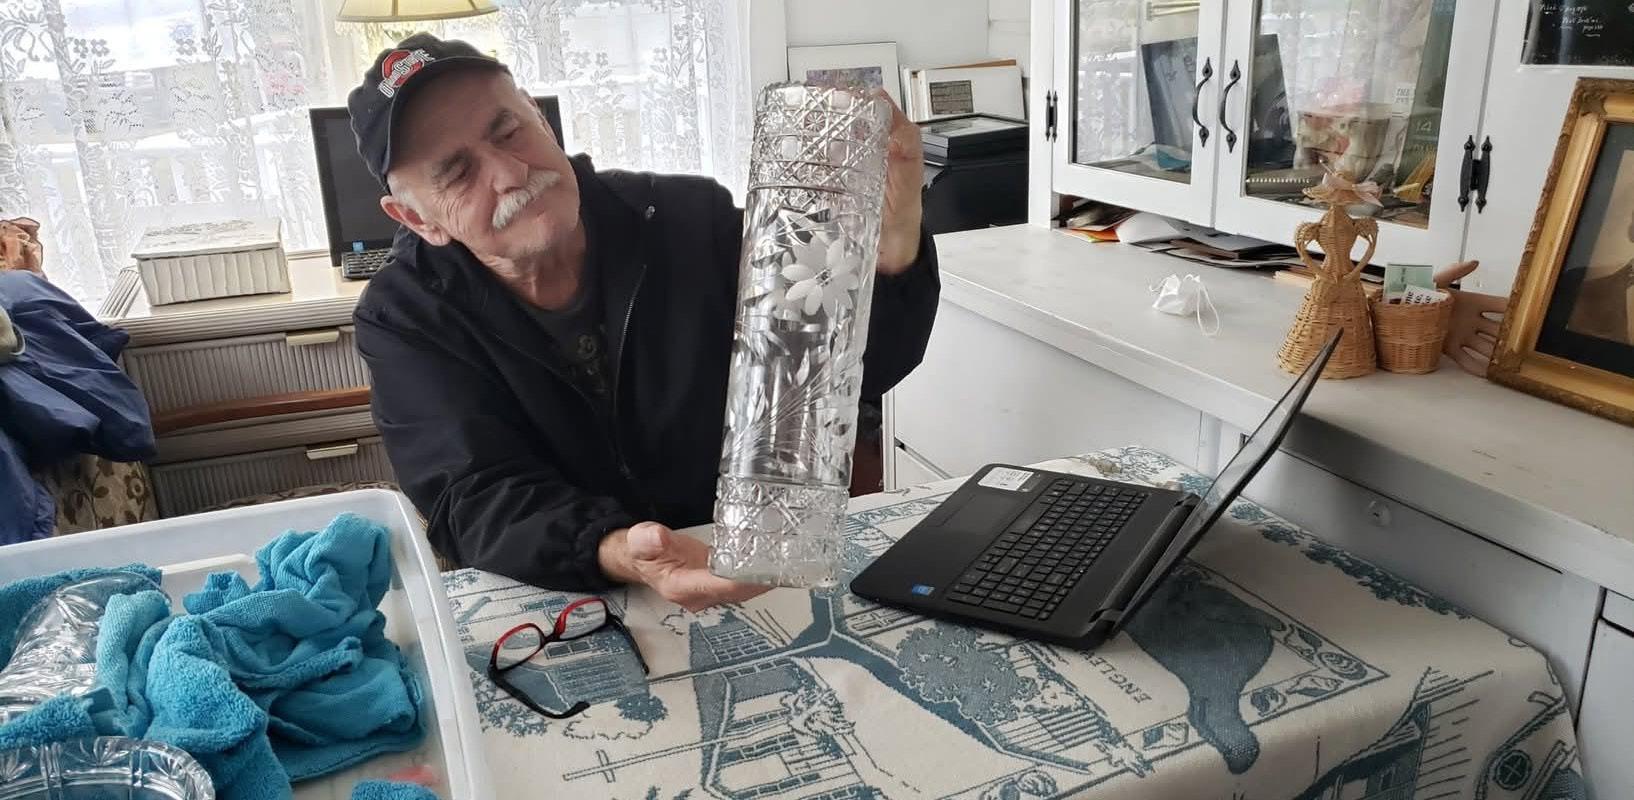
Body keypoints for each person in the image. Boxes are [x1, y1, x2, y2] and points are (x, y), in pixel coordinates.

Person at [347, 35, 940, 611]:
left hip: (746, 559)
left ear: (541, 120)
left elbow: (854, 372)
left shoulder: (690, 219)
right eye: (456, 173)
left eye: (508, 132)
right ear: (417, 219)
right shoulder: (404, 316)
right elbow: (470, 498)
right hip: (570, 590)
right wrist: (618, 550)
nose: (509, 173)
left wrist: (894, 237)